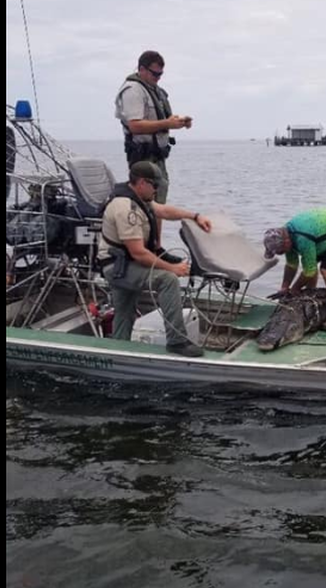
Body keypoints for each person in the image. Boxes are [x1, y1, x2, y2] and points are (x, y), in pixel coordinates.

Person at [96, 161, 212, 357]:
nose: (157, 190)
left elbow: (164, 211)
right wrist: (172, 268)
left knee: (124, 312)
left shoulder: (139, 199)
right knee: (167, 280)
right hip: (118, 267)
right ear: (142, 183)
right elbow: (138, 253)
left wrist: (195, 216)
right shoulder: (126, 209)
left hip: (123, 264)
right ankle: (177, 341)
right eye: (155, 186)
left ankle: (118, 351)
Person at [114, 50, 193, 255]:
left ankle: (156, 246)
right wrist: (168, 123)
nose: (158, 78)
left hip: (158, 156)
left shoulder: (155, 90)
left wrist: (178, 122)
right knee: (146, 201)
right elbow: (135, 126)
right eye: (154, 74)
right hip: (142, 156)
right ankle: (145, 247)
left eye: (160, 74)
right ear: (141, 69)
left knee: (158, 199)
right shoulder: (133, 90)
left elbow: (159, 120)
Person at [262, 208, 326, 332]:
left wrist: (295, 289)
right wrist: (284, 287)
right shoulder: (285, 236)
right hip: (322, 234)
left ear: (286, 242)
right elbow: (291, 265)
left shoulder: (302, 239)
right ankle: (311, 295)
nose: (279, 253)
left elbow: (309, 272)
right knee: (310, 264)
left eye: (279, 251)